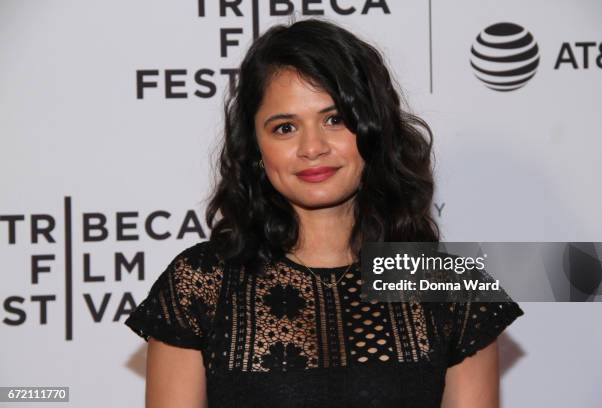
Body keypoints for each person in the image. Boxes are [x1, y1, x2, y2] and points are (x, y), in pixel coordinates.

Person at [125, 16, 524, 408]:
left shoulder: (449, 285)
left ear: (374, 128)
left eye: (334, 119)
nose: (312, 147)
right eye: (285, 127)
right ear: (255, 148)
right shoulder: (202, 283)